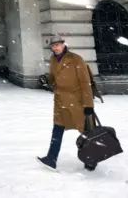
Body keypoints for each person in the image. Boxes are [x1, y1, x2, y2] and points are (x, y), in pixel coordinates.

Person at [37, 35, 96, 171]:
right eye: (53, 45)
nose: (55, 47)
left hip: (76, 100)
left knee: (85, 131)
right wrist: (48, 81)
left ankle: (91, 159)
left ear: (63, 44)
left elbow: (85, 83)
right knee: (57, 129)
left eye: (58, 44)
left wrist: (88, 105)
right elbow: (53, 76)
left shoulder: (76, 59)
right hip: (60, 100)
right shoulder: (53, 59)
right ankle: (51, 159)